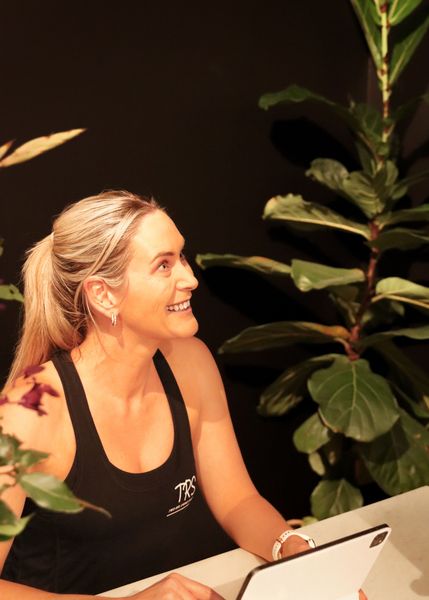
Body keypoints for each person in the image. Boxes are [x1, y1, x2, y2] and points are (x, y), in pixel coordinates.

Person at [0, 190, 366, 600]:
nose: (190, 279)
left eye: (183, 257)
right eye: (163, 265)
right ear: (103, 294)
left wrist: (294, 552)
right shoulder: (30, 411)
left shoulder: (190, 363)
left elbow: (237, 499)